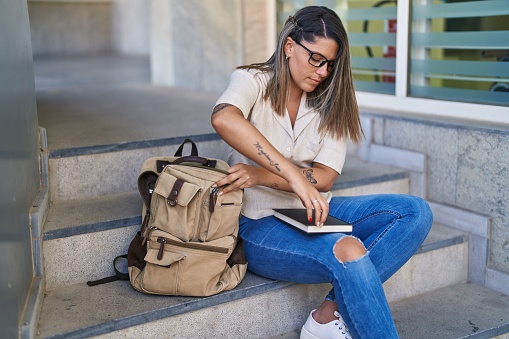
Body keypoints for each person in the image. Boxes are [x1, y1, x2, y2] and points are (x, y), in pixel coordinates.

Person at [211, 6, 433, 339]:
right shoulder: (252, 80)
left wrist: (260, 175)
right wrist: (295, 175)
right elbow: (224, 118)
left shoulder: (331, 100)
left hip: (314, 211)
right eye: (315, 58)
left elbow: (325, 177)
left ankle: (327, 315)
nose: (322, 71)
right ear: (289, 46)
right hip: (257, 225)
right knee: (349, 249)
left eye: (329, 63)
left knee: (415, 212)